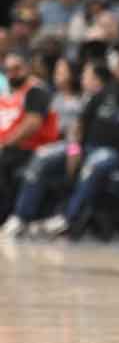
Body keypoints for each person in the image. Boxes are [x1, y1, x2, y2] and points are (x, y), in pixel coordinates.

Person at [10, 46, 119, 238]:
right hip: (85, 148)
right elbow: (79, 124)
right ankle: (21, 217)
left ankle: (67, 219)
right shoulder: (105, 92)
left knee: (95, 163)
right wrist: (73, 149)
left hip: (118, 156)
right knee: (43, 156)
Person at [0, 52, 58, 227]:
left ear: (27, 68)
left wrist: (4, 144)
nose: (12, 73)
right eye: (8, 70)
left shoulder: (35, 90)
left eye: (17, 68)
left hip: (31, 149)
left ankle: (6, 215)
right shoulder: (8, 93)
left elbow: (32, 124)